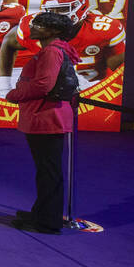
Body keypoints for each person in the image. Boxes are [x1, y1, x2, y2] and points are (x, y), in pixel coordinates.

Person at [4, 12, 80, 234]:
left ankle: (47, 221)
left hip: (47, 117)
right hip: (47, 116)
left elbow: (43, 86)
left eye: (41, 24)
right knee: (47, 170)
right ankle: (42, 212)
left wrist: (14, 94)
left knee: (48, 171)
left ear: (54, 31)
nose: (34, 26)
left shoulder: (51, 52)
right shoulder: (54, 50)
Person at [0, 0, 125, 93]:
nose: (55, 16)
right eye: (51, 10)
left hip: (93, 88)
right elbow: (9, 42)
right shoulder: (34, 25)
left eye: (62, 9)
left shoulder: (103, 29)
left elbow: (119, 70)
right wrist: (5, 85)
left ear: (81, 7)